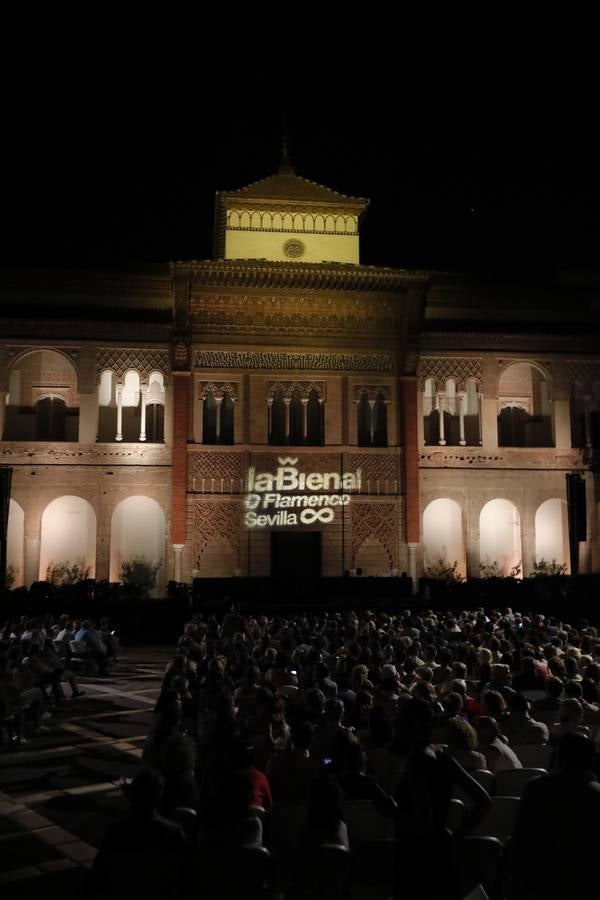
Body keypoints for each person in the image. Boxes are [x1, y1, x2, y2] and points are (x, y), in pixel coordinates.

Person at [390, 698, 491, 900]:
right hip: (441, 852)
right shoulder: (442, 756)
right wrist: (457, 835)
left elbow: (421, 815)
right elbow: (483, 801)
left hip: (418, 859)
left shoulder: (417, 763)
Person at [510, 734, 600, 899]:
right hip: (585, 884)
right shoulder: (595, 794)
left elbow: (520, 839)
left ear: (559, 758)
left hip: (539, 882)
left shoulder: (534, 788)